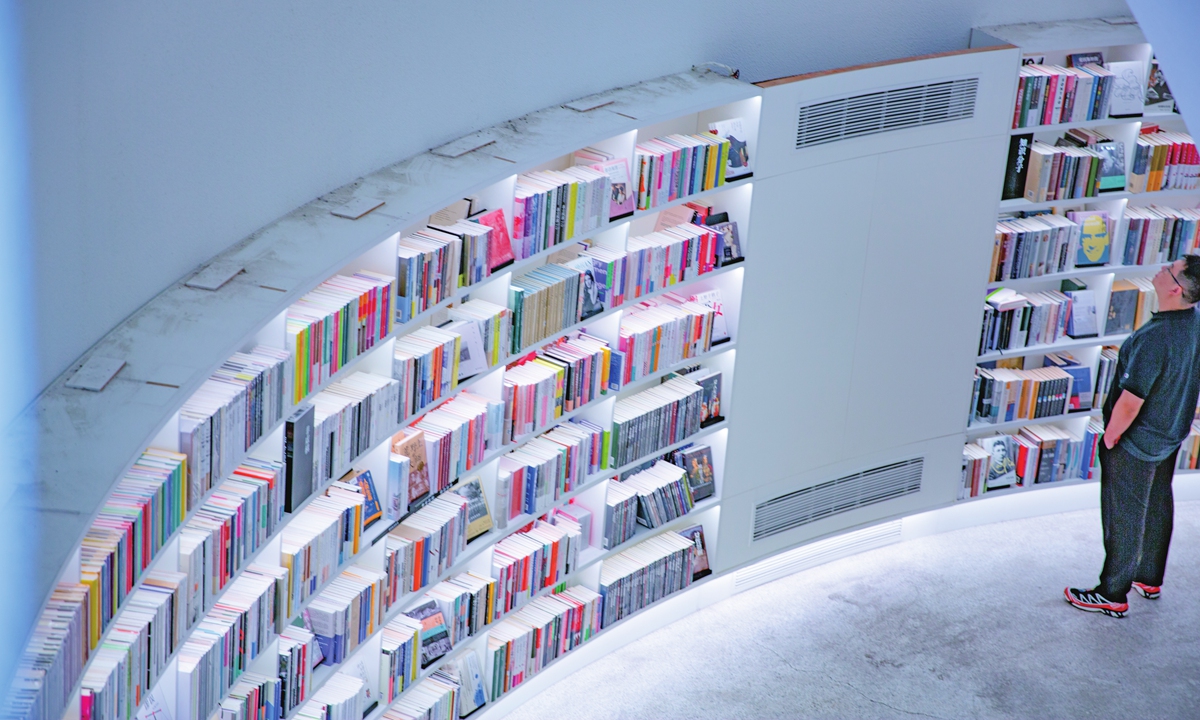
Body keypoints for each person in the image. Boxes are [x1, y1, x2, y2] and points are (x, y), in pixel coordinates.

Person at [1066, 256, 1200, 617]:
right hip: (1170, 434)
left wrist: (1111, 438)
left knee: (1123, 515)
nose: (1160, 268)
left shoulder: (1155, 337)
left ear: (1176, 288)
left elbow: (1130, 402)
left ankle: (1112, 593)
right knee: (1158, 504)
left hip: (1136, 443)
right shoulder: (1194, 322)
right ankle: (1149, 578)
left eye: (1169, 268)